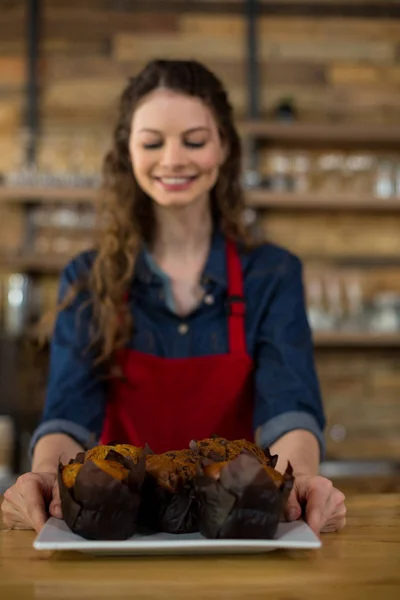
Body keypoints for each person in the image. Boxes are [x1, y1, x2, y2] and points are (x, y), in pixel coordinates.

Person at [2, 59, 346, 536]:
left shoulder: (272, 273)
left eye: (194, 140)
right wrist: (45, 475)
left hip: (233, 530)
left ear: (224, 146)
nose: (172, 159)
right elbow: (68, 412)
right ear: (127, 150)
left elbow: (289, 406)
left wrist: (299, 480)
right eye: (152, 142)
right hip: (117, 537)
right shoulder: (89, 278)